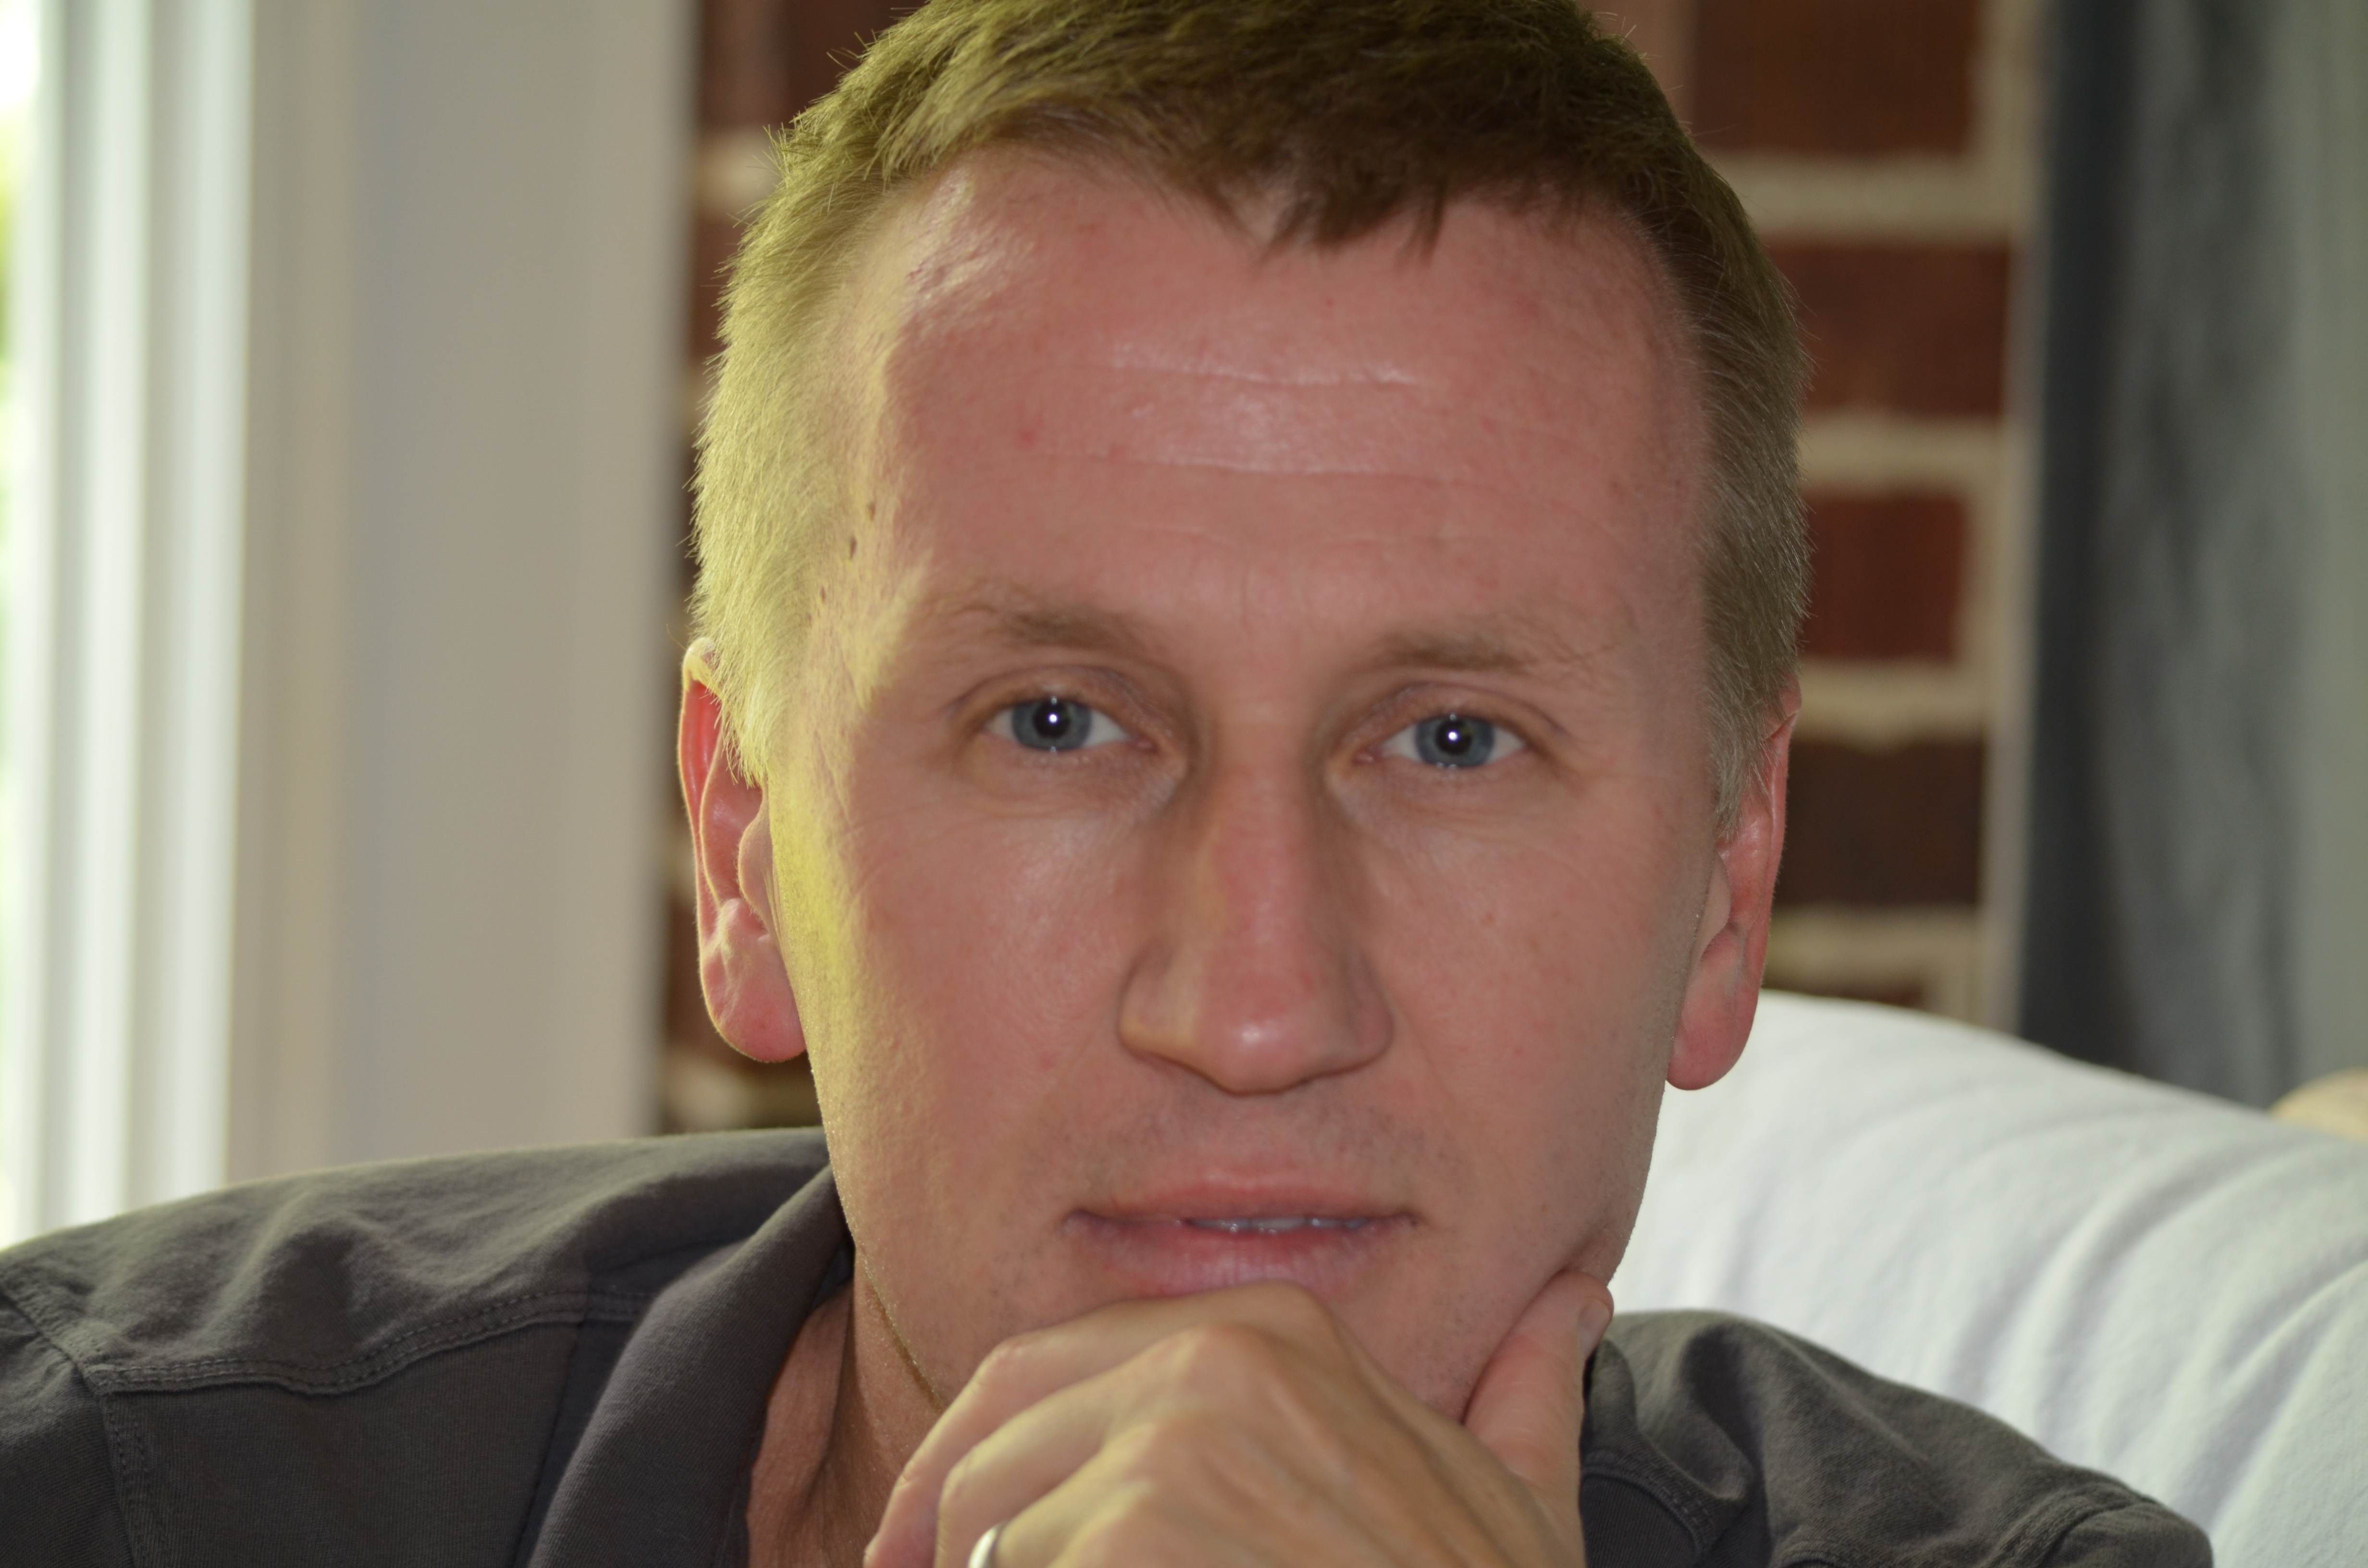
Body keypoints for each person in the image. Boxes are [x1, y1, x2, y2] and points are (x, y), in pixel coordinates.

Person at [0, 3, 2209, 1564]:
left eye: (1449, 741)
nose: (1251, 1010)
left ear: (1726, 884)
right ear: (744, 846)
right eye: (1055, 724)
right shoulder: (102, 1488)